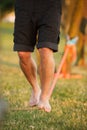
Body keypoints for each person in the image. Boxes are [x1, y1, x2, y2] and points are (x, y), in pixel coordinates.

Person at [13, 0, 61, 112]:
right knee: (23, 53)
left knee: (45, 49)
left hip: (50, 6)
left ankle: (44, 97)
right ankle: (36, 89)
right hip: (24, 6)